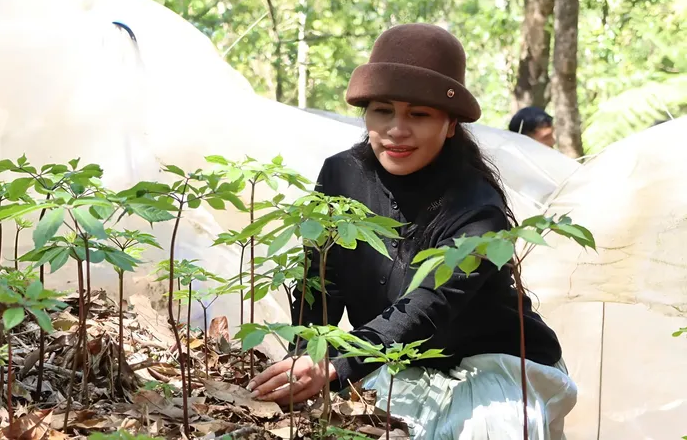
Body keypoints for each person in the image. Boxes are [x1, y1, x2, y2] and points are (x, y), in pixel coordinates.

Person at [246, 23, 576, 439]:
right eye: (382, 110)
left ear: (450, 123)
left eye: (418, 114)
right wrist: (306, 356)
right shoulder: (341, 174)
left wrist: (335, 363)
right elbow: (319, 278)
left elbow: (429, 303)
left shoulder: (477, 205)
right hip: (393, 359)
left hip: (498, 363)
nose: (397, 130)